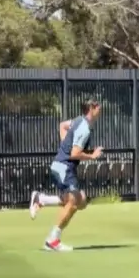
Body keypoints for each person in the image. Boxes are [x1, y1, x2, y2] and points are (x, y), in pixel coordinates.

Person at [28, 100, 104, 251]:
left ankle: (41, 199)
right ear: (91, 109)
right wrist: (92, 156)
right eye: (97, 106)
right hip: (64, 168)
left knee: (81, 200)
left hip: (63, 167)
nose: (100, 108)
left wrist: (65, 144)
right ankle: (53, 240)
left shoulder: (78, 120)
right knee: (74, 201)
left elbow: (62, 125)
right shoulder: (84, 128)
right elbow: (75, 154)